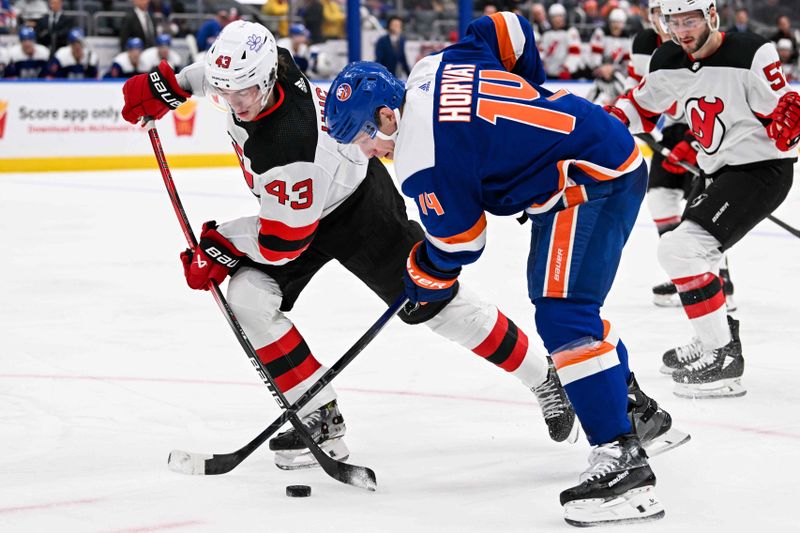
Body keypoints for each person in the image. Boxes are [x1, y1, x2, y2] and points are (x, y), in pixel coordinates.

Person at [119, 20, 580, 471]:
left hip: (356, 207)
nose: (235, 104)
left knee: (435, 304)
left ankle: (545, 377)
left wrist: (219, 245)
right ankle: (320, 415)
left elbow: (281, 242)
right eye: (226, 93)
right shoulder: (265, 65)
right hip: (296, 209)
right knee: (249, 298)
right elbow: (223, 76)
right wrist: (171, 85)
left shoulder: (289, 144)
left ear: (266, 80)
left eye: (243, 93)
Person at [325, 11, 687, 527]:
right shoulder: (433, 66)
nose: (370, 151)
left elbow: (461, 242)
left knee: (564, 314)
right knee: (562, 303)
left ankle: (623, 462)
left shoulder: (420, 158)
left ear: (386, 116)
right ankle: (634, 408)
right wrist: (528, 91)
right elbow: (507, 26)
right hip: (589, 155)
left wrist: (422, 275)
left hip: (588, 181)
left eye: (365, 138)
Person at [606, 0, 797, 398]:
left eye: (689, 19)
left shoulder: (751, 51)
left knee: (681, 250)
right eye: (672, 20)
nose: (681, 29)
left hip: (760, 170)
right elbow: (641, 105)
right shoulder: (667, 58)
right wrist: (604, 122)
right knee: (696, 255)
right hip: (717, 172)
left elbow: (782, 114)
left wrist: (788, 125)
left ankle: (721, 355)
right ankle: (715, 337)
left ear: (711, 15)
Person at [624, 0, 735, 313]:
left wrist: (692, 139)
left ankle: (721, 281)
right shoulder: (648, 43)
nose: (670, 23)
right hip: (673, 130)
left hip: (707, 128)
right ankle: (683, 276)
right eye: (662, 15)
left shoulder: (703, 40)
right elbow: (641, 91)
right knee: (659, 197)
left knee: (703, 211)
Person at [538, 3, 583, 79]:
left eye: (560, 16)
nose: (557, 19)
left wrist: (567, 68)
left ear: (564, 17)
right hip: (549, 74)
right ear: (550, 19)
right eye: (554, 17)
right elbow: (542, 52)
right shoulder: (546, 34)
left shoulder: (571, 32)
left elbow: (575, 53)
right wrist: (541, 65)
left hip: (565, 74)